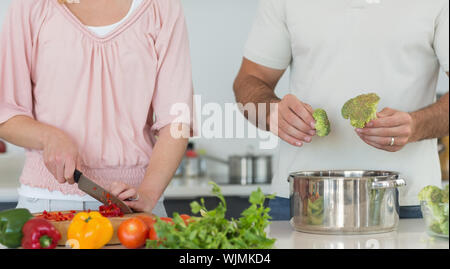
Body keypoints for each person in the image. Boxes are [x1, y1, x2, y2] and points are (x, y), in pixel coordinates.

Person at [234, 0, 449, 220]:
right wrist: (272, 112)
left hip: (406, 200)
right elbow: (250, 80)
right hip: (300, 198)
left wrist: (416, 125)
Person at [0, 0, 194, 216]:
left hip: (135, 205)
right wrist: (49, 137)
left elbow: (176, 122)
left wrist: (148, 193)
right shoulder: (30, 5)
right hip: (49, 204)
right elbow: (6, 113)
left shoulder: (162, 7)